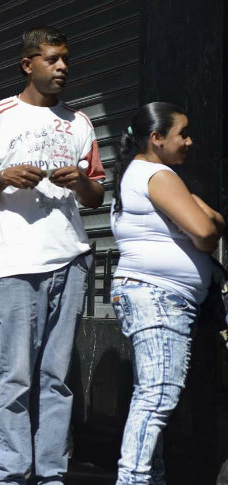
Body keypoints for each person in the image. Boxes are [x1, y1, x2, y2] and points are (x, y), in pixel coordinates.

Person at [0, 26, 106, 484]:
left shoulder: (79, 122)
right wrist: (5, 176)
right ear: (28, 64)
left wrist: (80, 181)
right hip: (17, 265)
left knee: (55, 377)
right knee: (15, 377)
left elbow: (95, 195)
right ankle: (12, 471)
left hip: (70, 259)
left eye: (66, 59)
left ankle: (50, 473)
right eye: (52, 59)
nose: (63, 67)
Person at [110, 103, 223, 484]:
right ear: (157, 139)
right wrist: (203, 214)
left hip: (153, 296)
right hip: (158, 297)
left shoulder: (139, 173)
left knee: (152, 396)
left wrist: (205, 215)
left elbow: (212, 222)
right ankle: (134, 480)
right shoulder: (158, 174)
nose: (190, 141)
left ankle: (148, 478)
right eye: (183, 133)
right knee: (157, 397)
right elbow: (207, 233)